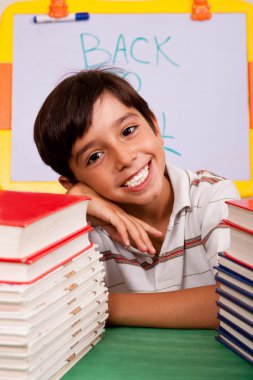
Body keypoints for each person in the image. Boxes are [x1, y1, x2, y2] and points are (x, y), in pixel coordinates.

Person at [34, 68, 240, 328]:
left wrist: (99, 304)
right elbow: (36, 307)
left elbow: (239, 303)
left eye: (128, 130)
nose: (124, 158)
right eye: (95, 157)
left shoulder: (211, 196)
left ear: (154, 125)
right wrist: (71, 206)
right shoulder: (83, 229)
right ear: (74, 181)